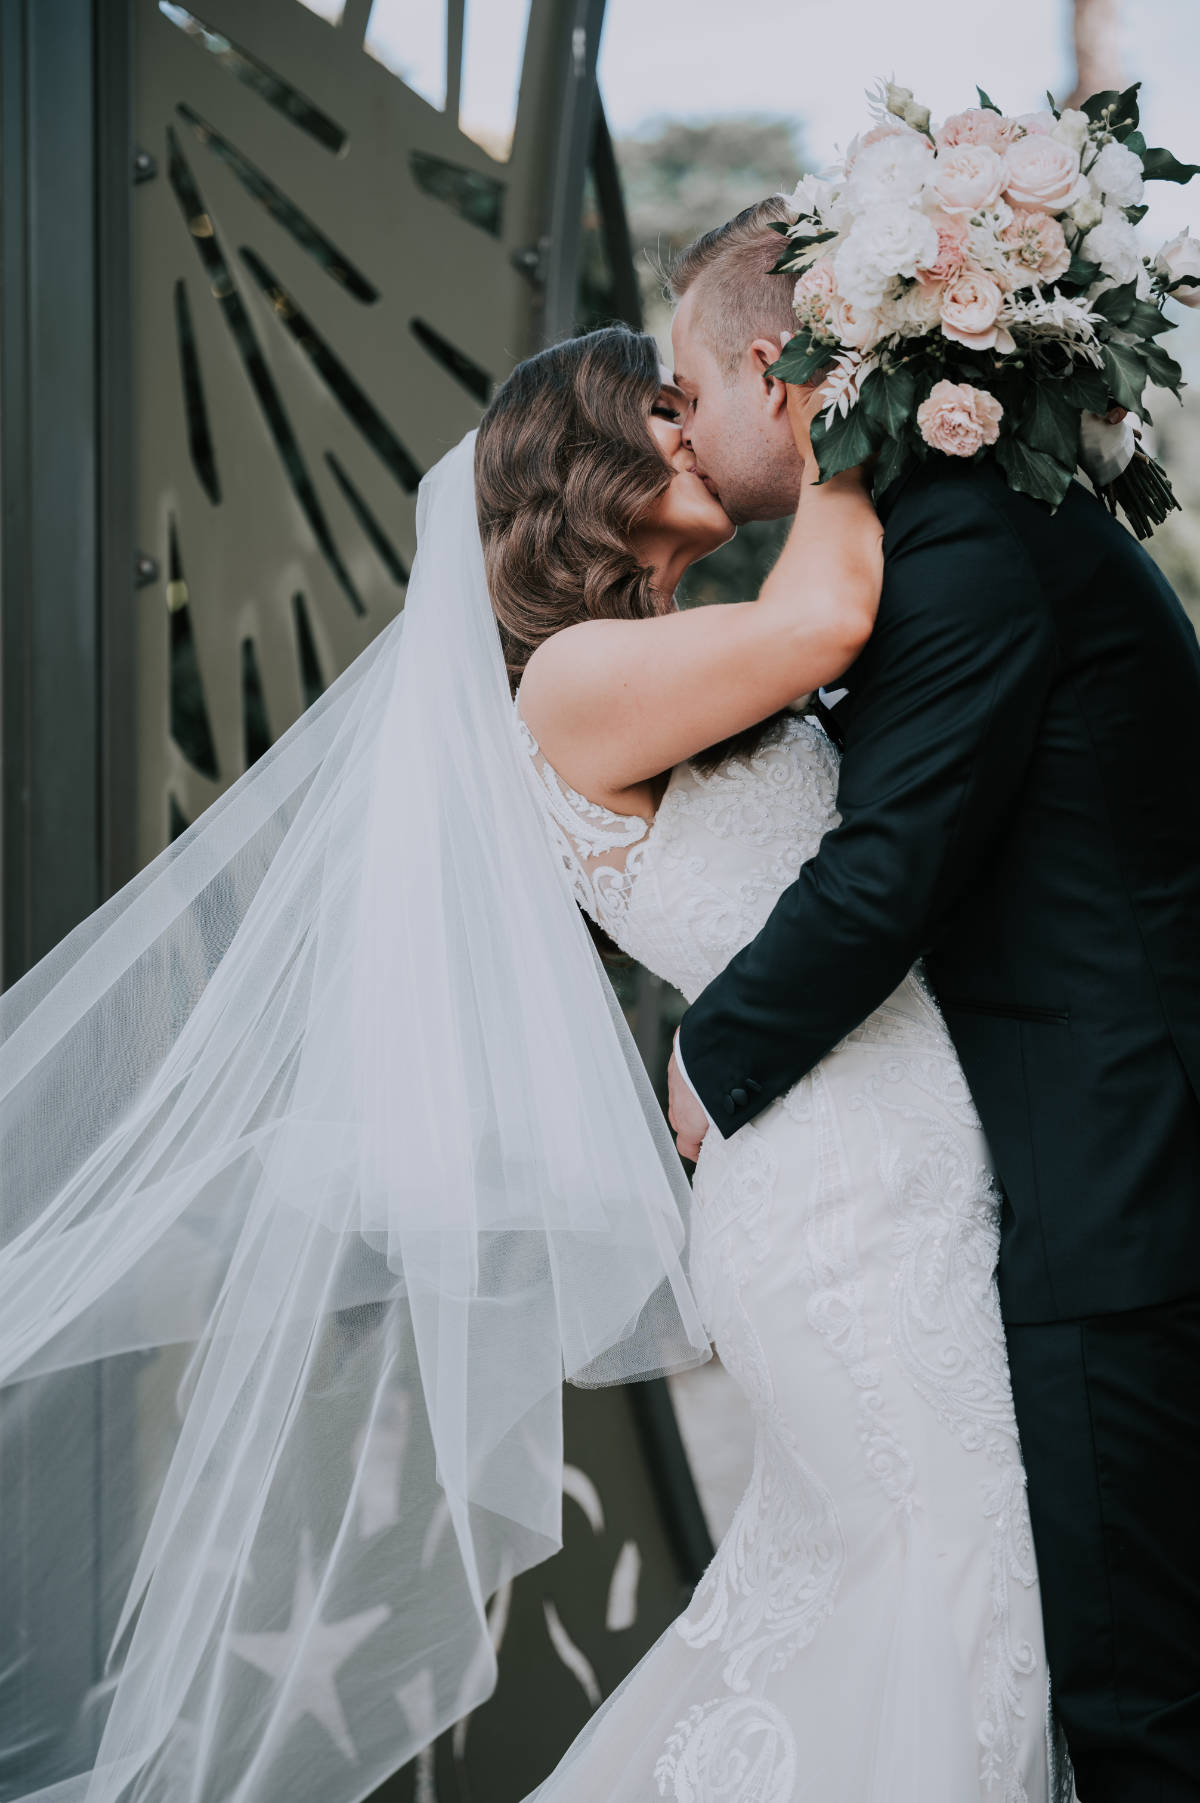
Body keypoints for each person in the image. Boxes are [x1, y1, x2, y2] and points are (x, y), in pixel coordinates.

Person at [479, 325, 1062, 1801]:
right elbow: (825, 621)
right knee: (954, 1594)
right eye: (658, 409)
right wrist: (844, 411)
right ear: (579, 465)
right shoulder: (569, 681)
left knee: (947, 1598)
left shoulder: (668, 651)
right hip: (826, 1203)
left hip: (901, 1168)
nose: (695, 430)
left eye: (695, 401)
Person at [667, 197, 1200, 1803]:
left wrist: (709, 1060)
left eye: (688, 394)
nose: (681, 431)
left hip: (1116, 1178)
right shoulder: (951, 521)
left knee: (1138, 1710)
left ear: (778, 372)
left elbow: (889, 867)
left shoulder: (963, 539)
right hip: (1057, 1164)